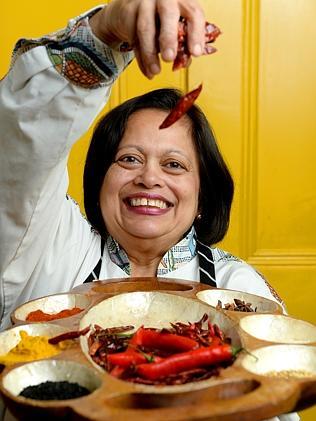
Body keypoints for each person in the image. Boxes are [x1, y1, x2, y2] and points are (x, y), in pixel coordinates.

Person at [0, 1, 301, 420]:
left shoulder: (239, 286)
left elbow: (273, 402)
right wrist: (102, 34)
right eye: (128, 159)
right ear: (100, 180)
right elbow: (17, 156)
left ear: (202, 196)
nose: (149, 179)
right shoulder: (52, 246)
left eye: (174, 165)